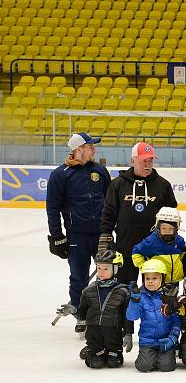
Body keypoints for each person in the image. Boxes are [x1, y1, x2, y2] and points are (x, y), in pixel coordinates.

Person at [47, 132, 111, 331]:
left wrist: (111, 228)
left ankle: (108, 312)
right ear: (78, 149)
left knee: (110, 272)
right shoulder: (61, 174)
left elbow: (110, 203)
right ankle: (80, 313)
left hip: (102, 233)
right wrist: (57, 236)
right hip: (77, 235)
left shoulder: (100, 171)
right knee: (79, 277)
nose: (94, 149)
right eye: (90, 146)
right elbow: (53, 208)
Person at [99, 142, 177, 285]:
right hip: (126, 246)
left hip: (155, 246)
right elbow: (109, 212)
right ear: (132, 160)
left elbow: (172, 213)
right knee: (125, 289)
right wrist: (105, 235)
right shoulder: (118, 184)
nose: (147, 164)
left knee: (154, 287)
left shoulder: (163, 185)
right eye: (143, 161)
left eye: (150, 160)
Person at [78, 250, 131, 369]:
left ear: (115, 269)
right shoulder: (89, 290)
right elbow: (83, 308)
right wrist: (80, 320)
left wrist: (128, 333)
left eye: (106, 269)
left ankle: (111, 352)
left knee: (113, 363)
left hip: (113, 331)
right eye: (99, 268)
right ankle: (92, 350)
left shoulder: (123, 292)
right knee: (96, 363)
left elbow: (126, 315)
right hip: (93, 330)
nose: (101, 272)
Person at [126, 259, 181, 372]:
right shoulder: (140, 297)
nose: (150, 281)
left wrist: (173, 338)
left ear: (163, 278)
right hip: (147, 340)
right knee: (144, 366)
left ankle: (161, 357)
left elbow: (176, 321)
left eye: (154, 278)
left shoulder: (169, 297)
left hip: (165, 339)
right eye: (147, 278)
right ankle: (150, 357)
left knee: (167, 367)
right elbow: (132, 317)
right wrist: (134, 300)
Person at [130, 207, 186, 286]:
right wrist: (145, 266)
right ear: (158, 227)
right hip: (156, 281)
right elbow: (136, 252)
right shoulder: (151, 241)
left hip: (175, 281)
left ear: (176, 228)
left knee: (171, 298)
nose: (167, 232)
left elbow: (182, 255)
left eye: (171, 229)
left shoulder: (179, 241)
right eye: (164, 228)